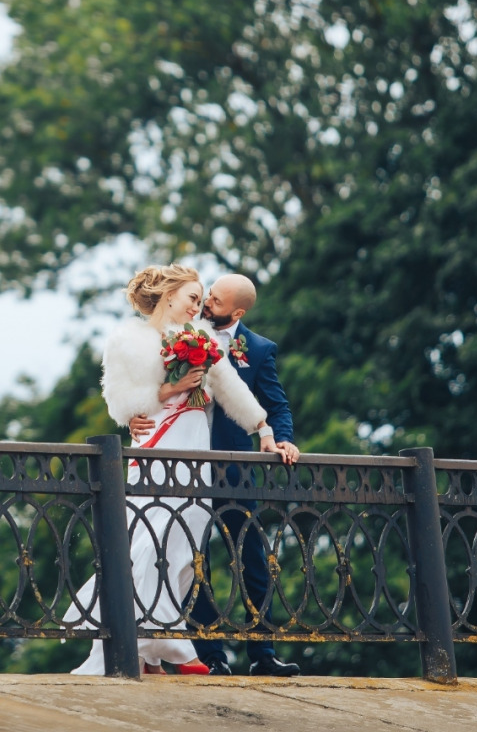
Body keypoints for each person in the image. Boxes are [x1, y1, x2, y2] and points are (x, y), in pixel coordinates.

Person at [69, 265, 285, 675]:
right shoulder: (127, 339)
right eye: (192, 297)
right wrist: (171, 388)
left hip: (193, 448)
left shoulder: (200, 336)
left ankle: (147, 652)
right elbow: (120, 404)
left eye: (202, 298)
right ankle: (169, 644)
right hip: (156, 445)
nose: (199, 305)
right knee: (150, 540)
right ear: (169, 296)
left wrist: (263, 427)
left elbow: (229, 386)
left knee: (185, 547)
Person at [128, 273, 300, 677]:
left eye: (216, 301)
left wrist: (279, 438)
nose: (206, 305)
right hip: (184, 460)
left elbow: (274, 403)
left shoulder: (258, 349)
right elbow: (142, 388)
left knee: (252, 557)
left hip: (235, 467)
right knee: (189, 557)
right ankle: (209, 655)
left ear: (237, 311)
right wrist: (134, 414)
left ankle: (263, 653)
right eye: (205, 297)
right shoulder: (181, 333)